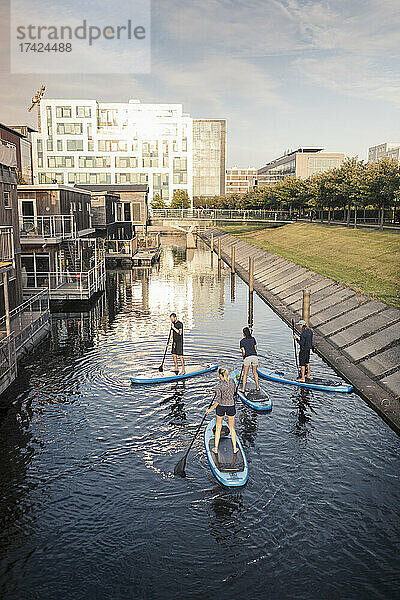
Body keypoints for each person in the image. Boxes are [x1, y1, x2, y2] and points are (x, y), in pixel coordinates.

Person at [206, 367, 238, 454]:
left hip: (221, 407)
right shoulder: (232, 381)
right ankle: (235, 448)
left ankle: (216, 448)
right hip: (231, 406)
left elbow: (218, 401)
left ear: (220, 375)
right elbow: (235, 391)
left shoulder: (219, 385)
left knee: (218, 427)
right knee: (232, 428)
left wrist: (210, 409)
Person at [239, 327, 260, 393]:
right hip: (255, 356)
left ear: (244, 333)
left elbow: (243, 352)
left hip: (247, 357)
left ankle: (243, 389)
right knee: (255, 372)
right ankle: (257, 387)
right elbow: (255, 348)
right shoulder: (253, 339)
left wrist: (244, 358)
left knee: (245, 374)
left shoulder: (242, 341)